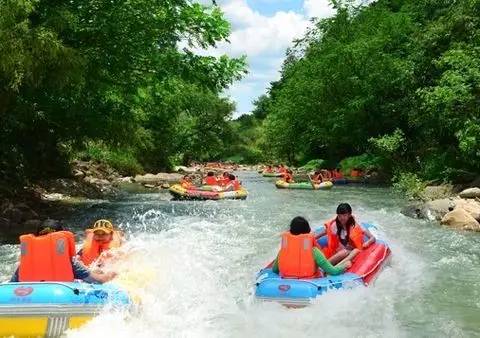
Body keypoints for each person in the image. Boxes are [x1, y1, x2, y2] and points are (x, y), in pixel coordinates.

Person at [10, 223, 115, 283]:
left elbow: (11, 284)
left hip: (30, 298)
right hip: (60, 298)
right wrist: (113, 274)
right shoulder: (69, 262)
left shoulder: (26, 263)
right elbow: (99, 280)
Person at [271, 216, 351, 278]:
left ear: (291, 231)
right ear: (307, 231)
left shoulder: (283, 250)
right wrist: (345, 265)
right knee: (326, 267)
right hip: (309, 284)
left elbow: (275, 269)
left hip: (286, 281)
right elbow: (333, 271)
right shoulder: (314, 251)